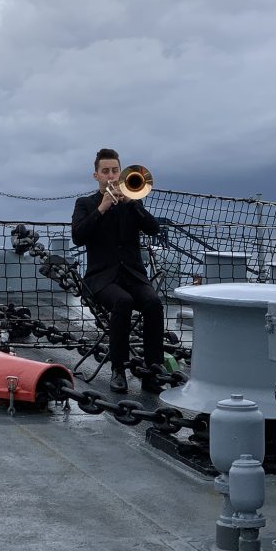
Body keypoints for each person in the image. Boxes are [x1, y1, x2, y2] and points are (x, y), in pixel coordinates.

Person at [71, 148, 166, 394]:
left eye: (115, 170)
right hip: (101, 278)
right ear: (96, 176)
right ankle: (118, 370)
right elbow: (78, 237)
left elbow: (154, 229)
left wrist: (134, 205)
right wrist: (102, 208)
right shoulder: (86, 204)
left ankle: (152, 371)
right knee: (122, 303)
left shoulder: (133, 203)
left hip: (133, 275)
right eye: (106, 171)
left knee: (154, 303)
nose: (111, 176)